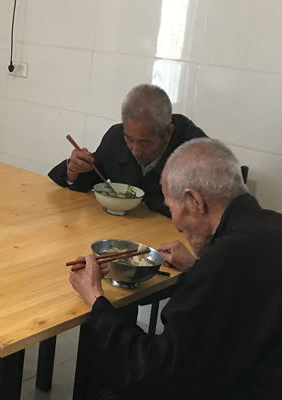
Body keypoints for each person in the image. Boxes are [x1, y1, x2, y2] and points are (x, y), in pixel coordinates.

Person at [69, 138, 282, 399]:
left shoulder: (226, 259)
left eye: (170, 207)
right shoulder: (269, 229)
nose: (175, 223)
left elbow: (153, 373)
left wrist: (95, 298)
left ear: (194, 201)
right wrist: (196, 268)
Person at [48, 84, 206, 217]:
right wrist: (73, 169)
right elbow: (90, 178)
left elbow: (206, 213)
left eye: (145, 143)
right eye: (129, 139)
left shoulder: (197, 151)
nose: (135, 151)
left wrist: (150, 202)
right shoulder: (116, 138)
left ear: (168, 133)